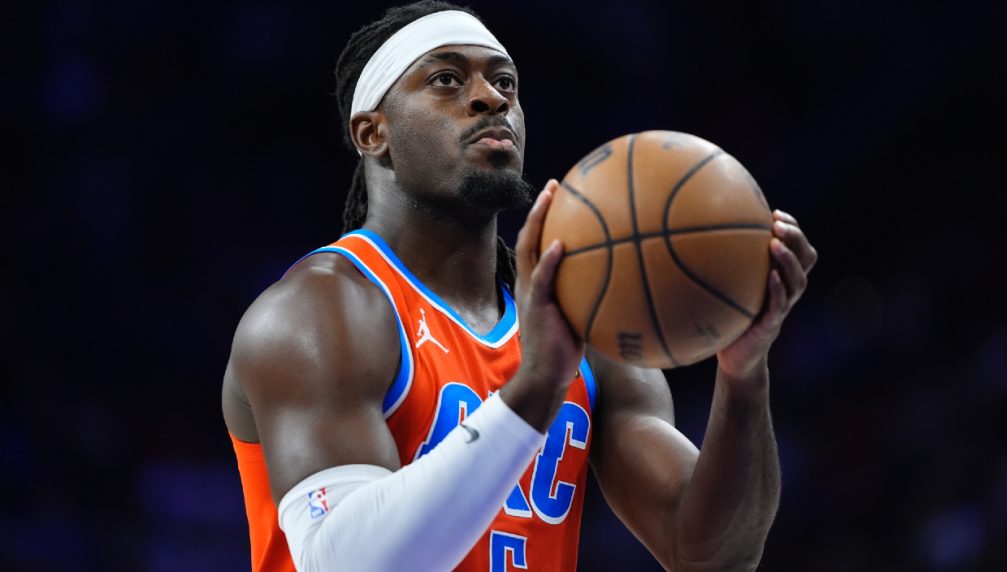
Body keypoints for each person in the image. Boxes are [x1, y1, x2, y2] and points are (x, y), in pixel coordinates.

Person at [221, 2, 818, 571]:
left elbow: (709, 554)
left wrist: (744, 374)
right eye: (447, 80)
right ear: (373, 133)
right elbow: (345, 562)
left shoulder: (582, 325)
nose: (491, 97)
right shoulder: (319, 312)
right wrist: (535, 388)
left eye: (505, 82)